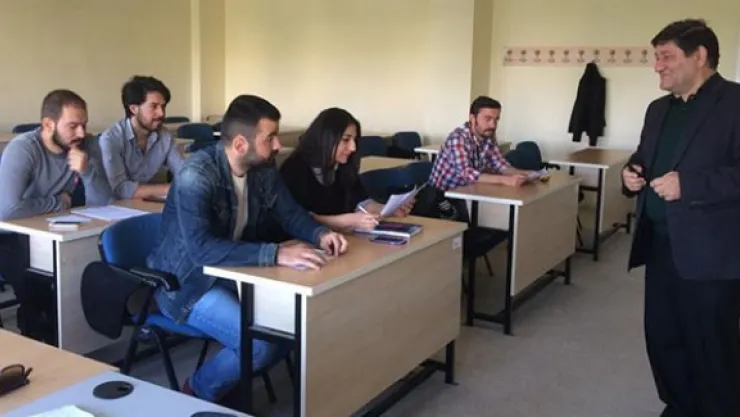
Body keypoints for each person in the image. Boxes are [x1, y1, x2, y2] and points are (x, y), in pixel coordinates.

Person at [146, 94, 348, 403]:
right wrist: (275, 253)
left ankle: (231, 383)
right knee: (260, 344)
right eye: (270, 137)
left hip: (235, 270)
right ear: (241, 144)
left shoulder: (262, 169)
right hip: (188, 284)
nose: (278, 145)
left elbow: (290, 213)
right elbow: (201, 250)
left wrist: (320, 234)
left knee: (292, 323)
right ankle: (199, 389)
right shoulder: (196, 175)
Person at [622, 19, 740, 417]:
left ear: (699, 56)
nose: (657, 66)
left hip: (713, 254)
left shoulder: (735, 103)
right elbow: (643, 158)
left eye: (666, 56)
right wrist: (631, 175)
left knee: (712, 344)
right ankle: (680, 405)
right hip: (659, 245)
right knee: (664, 336)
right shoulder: (658, 110)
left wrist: (689, 185)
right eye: (656, 57)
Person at [0, 89, 114, 341]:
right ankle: (38, 337)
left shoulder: (86, 145)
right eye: (72, 126)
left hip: (53, 228)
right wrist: (60, 202)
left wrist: (87, 171)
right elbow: (7, 211)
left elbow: (103, 203)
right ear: (48, 124)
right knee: (37, 286)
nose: (81, 133)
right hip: (10, 235)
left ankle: (78, 339)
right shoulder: (24, 149)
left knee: (90, 267)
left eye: (84, 125)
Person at [278, 107, 412, 234]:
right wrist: (344, 221)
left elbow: (360, 201)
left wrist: (386, 209)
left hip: (342, 236)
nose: (353, 148)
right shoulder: (295, 169)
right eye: (346, 140)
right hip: (306, 243)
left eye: (354, 140)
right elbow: (297, 218)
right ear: (326, 139)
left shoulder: (344, 164)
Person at [99, 76, 184, 200]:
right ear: (133, 108)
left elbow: (183, 172)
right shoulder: (111, 139)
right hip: (113, 206)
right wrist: (170, 188)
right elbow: (121, 189)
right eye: (153, 106)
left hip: (146, 204)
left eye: (163, 106)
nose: (161, 113)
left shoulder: (165, 136)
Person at [428, 95, 530, 193]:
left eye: (496, 119)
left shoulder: (488, 135)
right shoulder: (458, 138)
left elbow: (499, 164)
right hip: (441, 195)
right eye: (488, 119)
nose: (493, 125)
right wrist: (505, 180)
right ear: (472, 118)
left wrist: (525, 174)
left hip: (468, 192)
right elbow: (467, 173)